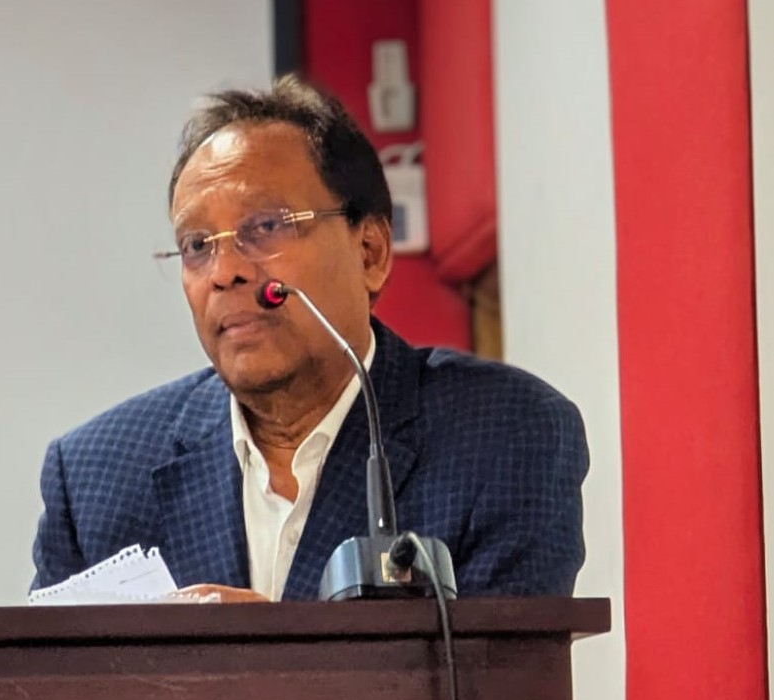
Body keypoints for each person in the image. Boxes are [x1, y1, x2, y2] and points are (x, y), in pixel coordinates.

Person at [31, 76, 588, 602]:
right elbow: (53, 675)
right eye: (198, 245)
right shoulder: (95, 476)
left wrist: (266, 651)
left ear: (370, 252)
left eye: (265, 227)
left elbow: (500, 669)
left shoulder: (505, 433)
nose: (224, 271)